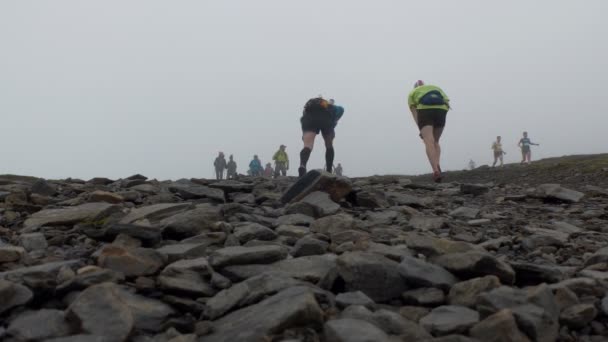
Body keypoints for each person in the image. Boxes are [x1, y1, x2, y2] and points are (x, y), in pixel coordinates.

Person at [408, 80, 450, 182]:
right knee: (436, 141)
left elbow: (414, 113)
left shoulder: (412, 93)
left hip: (425, 111)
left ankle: (435, 170)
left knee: (428, 141)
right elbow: (447, 103)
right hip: (441, 111)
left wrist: (421, 129)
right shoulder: (436, 88)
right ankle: (437, 163)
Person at [298, 96, 344, 177]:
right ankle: (329, 170)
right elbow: (341, 109)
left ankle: (302, 165)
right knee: (329, 144)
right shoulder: (334, 108)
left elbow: (305, 116)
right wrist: (333, 126)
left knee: (308, 146)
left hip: (308, 119)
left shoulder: (310, 107)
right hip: (325, 119)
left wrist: (304, 134)